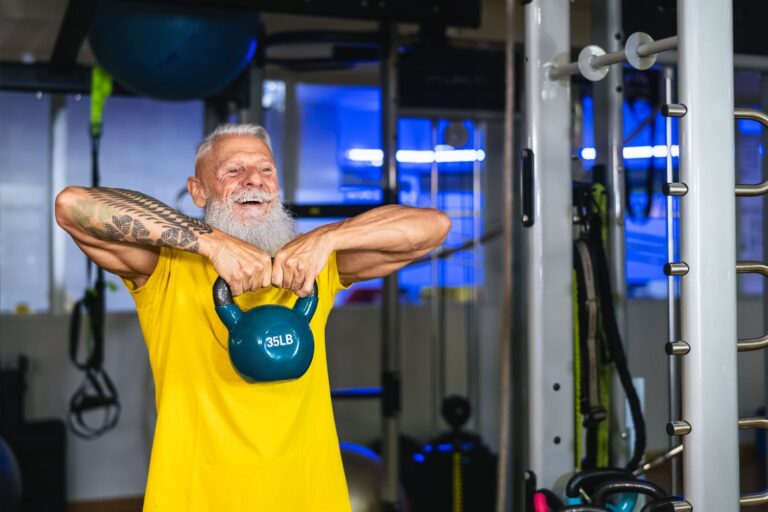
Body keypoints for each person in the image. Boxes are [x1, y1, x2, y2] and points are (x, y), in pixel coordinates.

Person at [55, 124, 451, 512]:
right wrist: (211, 243)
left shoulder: (312, 266)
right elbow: (72, 206)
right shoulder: (167, 268)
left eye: (266, 170)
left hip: (310, 500)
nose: (254, 181)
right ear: (198, 190)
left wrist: (328, 236)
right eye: (233, 171)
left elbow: (434, 228)